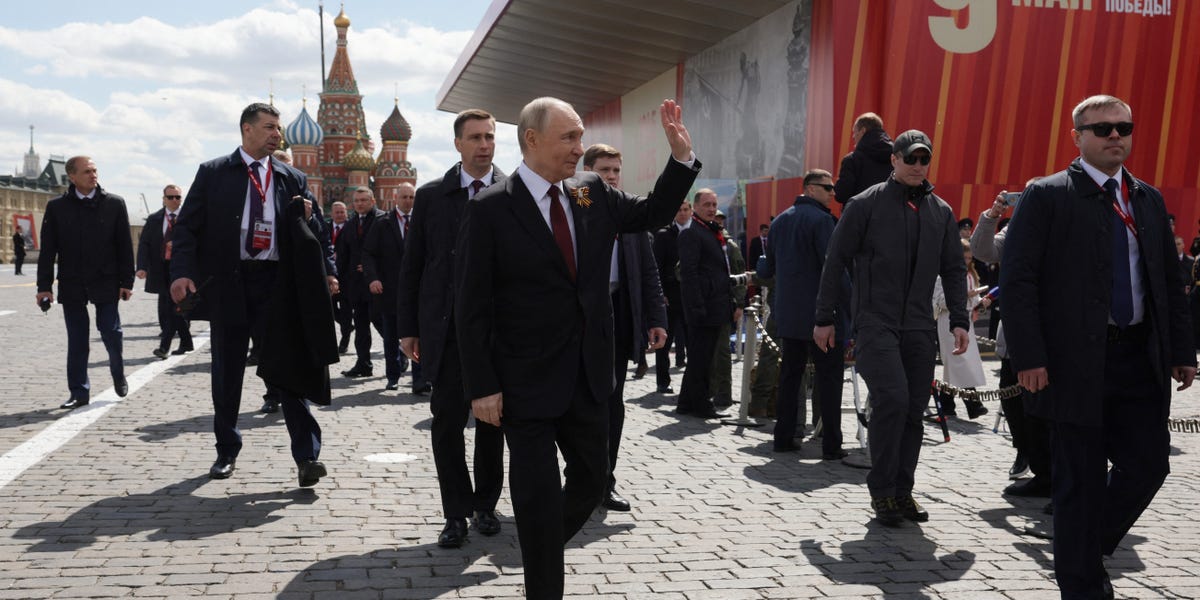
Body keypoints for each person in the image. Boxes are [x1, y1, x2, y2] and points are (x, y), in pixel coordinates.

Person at [455, 97, 699, 599]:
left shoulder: (591, 193)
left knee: (591, 481)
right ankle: (543, 582)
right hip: (524, 383)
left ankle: (538, 545)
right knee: (537, 493)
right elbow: (471, 305)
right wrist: (481, 386)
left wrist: (679, 162)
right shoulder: (491, 207)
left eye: (580, 135)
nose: (579, 147)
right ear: (532, 139)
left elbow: (651, 213)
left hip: (589, 376)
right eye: (569, 137)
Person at [1002, 95, 1195, 599]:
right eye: (1102, 128)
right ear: (1078, 137)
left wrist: (1181, 350)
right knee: (1079, 483)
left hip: (1137, 359)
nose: (1115, 136)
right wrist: (1030, 358)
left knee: (1149, 464)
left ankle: (1083, 552)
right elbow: (1018, 281)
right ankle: (1084, 586)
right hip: (1071, 364)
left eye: (1123, 127)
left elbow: (1168, 283)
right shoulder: (1045, 195)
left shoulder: (1147, 199)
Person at [170, 102, 338, 486]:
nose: (277, 134)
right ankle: (226, 450)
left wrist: (324, 262)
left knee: (291, 369)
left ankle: (307, 456)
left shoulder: (291, 177)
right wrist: (181, 273)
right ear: (246, 129)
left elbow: (316, 234)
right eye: (269, 128)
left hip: (276, 285)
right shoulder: (214, 173)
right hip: (231, 283)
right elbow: (187, 230)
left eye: (278, 128)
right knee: (227, 372)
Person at [814, 129, 969, 526]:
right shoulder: (865, 204)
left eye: (924, 159)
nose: (918, 166)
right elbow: (835, 260)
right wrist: (824, 317)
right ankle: (881, 492)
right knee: (893, 400)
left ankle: (902, 492)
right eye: (910, 158)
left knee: (913, 412)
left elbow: (954, 268)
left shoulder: (941, 211)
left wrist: (960, 321)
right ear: (894, 160)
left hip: (919, 327)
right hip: (874, 323)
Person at [398, 109, 507, 549]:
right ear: (458, 144)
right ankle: (455, 513)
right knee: (445, 424)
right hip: (443, 332)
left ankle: (485, 505)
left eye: (490, 137)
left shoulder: (512, 192)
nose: (484, 145)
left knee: (493, 422)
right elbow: (413, 266)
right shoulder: (431, 197)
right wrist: (408, 327)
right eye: (475, 138)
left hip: (496, 334)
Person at [582, 142, 667, 513]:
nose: (612, 177)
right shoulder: (574, 207)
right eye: (604, 170)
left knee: (612, 403)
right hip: (578, 319)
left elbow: (649, 272)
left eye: (616, 170)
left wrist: (656, 320)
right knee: (579, 404)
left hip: (619, 315)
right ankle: (578, 478)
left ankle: (605, 481)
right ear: (586, 173)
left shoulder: (630, 213)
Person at [970, 182, 1053, 496]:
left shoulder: (1062, 229)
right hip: (1016, 334)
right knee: (1011, 398)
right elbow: (981, 250)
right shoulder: (1014, 231)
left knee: (1042, 406)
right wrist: (993, 214)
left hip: (1053, 334)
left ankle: (1046, 469)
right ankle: (1024, 451)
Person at [759, 168, 848, 459]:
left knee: (790, 377)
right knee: (829, 379)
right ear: (810, 189)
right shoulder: (822, 221)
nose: (833, 193)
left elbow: (766, 269)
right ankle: (831, 444)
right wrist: (847, 308)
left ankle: (784, 437)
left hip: (788, 314)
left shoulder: (780, 221)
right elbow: (834, 267)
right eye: (828, 188)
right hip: (820, 316)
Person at [36, 156, 134, 410]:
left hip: (106, 281)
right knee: (77, 339)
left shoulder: (114, 204)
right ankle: (79, 391)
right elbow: (48, 250)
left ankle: (118, 373)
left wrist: (127, 281)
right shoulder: (57, 207)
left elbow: (124, 245)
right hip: (72, 283)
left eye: (95, 170)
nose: (93, 175)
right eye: (87, 171)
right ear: (72, 176)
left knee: (111, 332)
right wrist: (43, 287)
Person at [676, 189, 733, 419]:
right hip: (703, 307)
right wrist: (697, 306)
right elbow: (688, 273)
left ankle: (686, 402)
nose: (711, 209)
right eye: (707, 204)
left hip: (714, 305)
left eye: (714, 204)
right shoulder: (692, 233)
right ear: (696, 207)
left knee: (701, 357)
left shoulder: (710, 231)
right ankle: (701, 404)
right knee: (702, 359)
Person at [363, 182, 418, 392]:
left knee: (419, 334)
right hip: (389, 290)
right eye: (404, 197)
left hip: (416, 292)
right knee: (391, 335)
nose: (407, 201)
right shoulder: (383, 223)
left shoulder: (422, 221)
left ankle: (420, 378)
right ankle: (393, 376)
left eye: (411, 197)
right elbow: (368, 253)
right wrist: (373, 278)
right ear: (396, 198)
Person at [932, 239, 990, 419]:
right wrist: (964, 296)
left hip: (965, 323)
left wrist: (980, 301)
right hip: (948, 322)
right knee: (959, 363)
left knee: (959, 365)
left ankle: (948, 404)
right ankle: (973, 404)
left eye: (969, 258)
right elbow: (939, 301)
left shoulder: (970, 275)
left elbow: (970, 303)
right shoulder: (943, 277)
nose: (966, 262)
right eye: (963, 257)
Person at [136, 184, 193, 359]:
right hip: (161, 269)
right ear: (164, 199)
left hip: (182, 269)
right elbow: (144, 243)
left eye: (178, 197)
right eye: (171, 197)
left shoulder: (189, 217)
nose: (175, 200)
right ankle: (186, 341)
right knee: (172, 307)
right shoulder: (154, 219)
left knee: (174, 308)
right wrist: (142, 267)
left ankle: (164, 347)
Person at [341, 187, 386, 378]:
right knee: (360, 326)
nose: (360, 204)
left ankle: (400, 355)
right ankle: (363, 363)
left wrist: (371, 270)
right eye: (357, 200)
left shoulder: (383, 220)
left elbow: (389, 252)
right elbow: (344, 254)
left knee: (381, 322)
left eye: (364, 200)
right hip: (357, 285)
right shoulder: (350, 223)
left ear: (373, 201)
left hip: (377, 283)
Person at [653, 200, 692, 392]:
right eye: (679, 210)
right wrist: (661, 294)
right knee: (665, 342)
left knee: (692, 341)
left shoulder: (696, 233)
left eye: (686, 210)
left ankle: (692, 384)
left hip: (691, 297)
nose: (683, 213)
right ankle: (662, 380)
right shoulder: (664, 235)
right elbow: (656, 267)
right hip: (670, 296)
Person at [708, 208, 746, 408]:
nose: (718, 222)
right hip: (707, 304)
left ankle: (724, 392)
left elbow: (741, 277)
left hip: (725, 304)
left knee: (722, 352)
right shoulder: (703, 239)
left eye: (720, 219)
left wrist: (739, 304)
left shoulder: (730, 246)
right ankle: (710, 389)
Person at [833, 112, 893, 204]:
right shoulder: (897, 158)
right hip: (890, 214)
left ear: (863, 131)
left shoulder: (852, 160)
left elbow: (841, 195)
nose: (853, 136)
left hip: (858, 215)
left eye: (854, 132)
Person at [329, 201, 354, 354]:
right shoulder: (325, 227)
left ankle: (344, 342)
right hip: (330, 276)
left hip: (346, 276)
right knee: (330, 307)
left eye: (342, 212)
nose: (340, 215)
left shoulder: (351, 227)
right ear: (332, 213)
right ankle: (348, 326)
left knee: (345, 310)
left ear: (346, 212)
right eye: (337, 212)